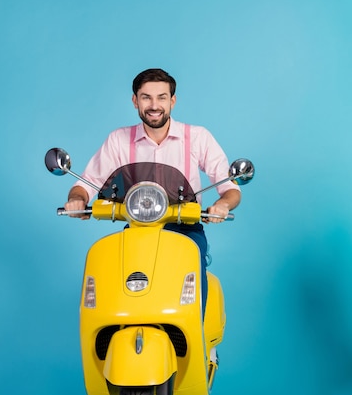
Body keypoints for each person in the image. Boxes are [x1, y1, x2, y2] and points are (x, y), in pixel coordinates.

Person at [64, 68, 241, 312]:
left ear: (173, 101)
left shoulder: (197, 137)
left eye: (161, 97)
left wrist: (223, 205)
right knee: (116, 286)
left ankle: (193, 337)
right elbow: (86, 183)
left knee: (191, 289)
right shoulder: (119, 140)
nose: (154, 105)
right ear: (135, 101)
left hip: (184, 229)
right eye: (146, 97)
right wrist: (77, 199)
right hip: (138, 229)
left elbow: (229, 187)